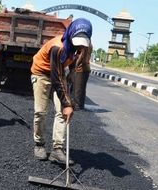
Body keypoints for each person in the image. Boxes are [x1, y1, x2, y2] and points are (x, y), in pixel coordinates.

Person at [30, 18, 92, 164]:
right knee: (40, 111)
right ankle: (39, 144)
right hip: (41, 73)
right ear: (70, 33)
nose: (79, 47)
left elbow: (78, 70)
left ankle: (57, 150)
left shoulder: (84, 48)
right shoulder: (58, 47)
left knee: (62, 112)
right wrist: (67, 103)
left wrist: (72, 103)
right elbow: (56, 78)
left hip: (58, 73)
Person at [69, 44, 93, 110]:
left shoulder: (85, 45)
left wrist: (75, 65)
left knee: (78, 88)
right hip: (84, 69)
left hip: (81, 69)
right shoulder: (88, 44)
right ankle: (80, 105)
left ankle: (77, 105)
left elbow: (82, 56)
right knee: (80, 88)